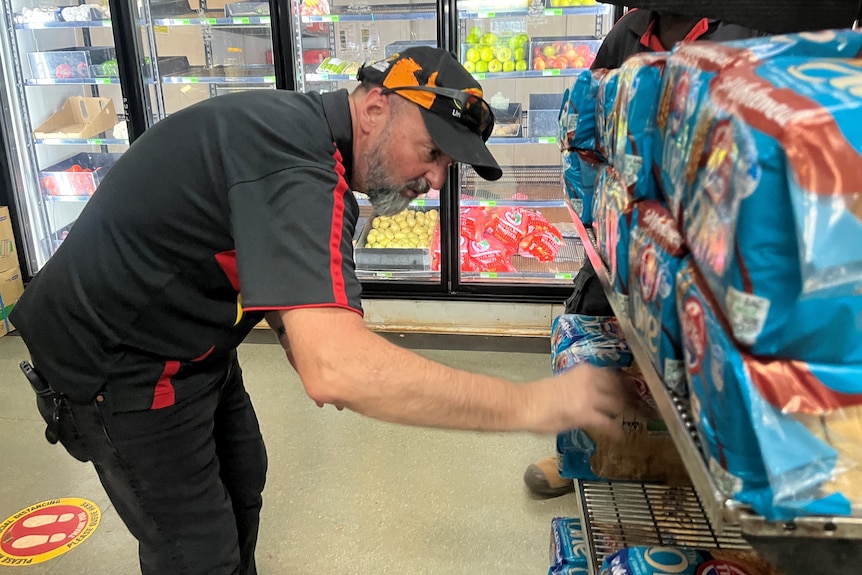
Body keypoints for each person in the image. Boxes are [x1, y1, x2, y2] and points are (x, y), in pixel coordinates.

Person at [10, 47, 627, 575]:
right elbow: (337, 370)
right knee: (195, 550)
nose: (437, 181)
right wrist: (533, 404)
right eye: (431, 152)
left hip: (195, 347)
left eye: (447, 166)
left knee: (243, 478)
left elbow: (278, 282)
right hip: (118, 365)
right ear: (377, 107)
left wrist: (313, 332)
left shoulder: (309, 144)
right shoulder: (295, 162)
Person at [523, 9, 760, 499]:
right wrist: (585, 177)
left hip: (702, 236)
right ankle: (581, 454)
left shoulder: (742, 29)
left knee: (694, 352)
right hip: (622, 222)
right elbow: (591, 105)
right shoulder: (628, 31)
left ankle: (694, 467)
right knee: (593, 318)